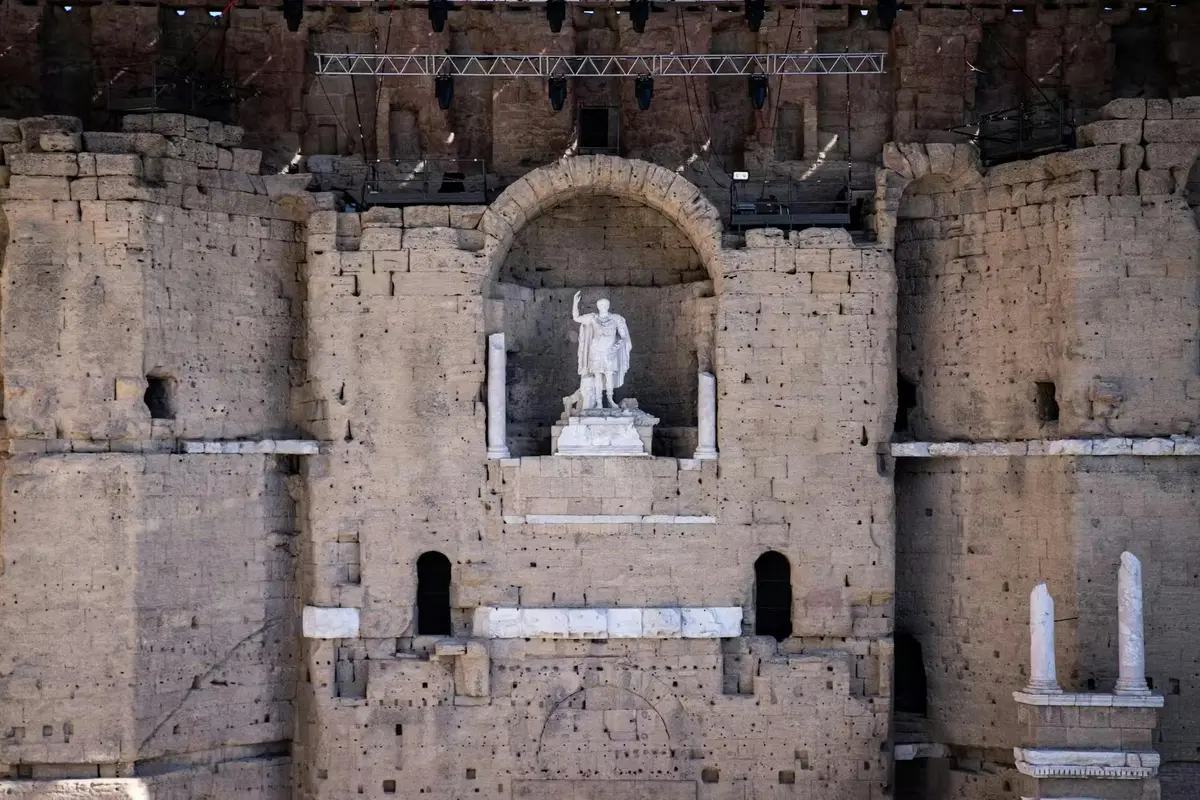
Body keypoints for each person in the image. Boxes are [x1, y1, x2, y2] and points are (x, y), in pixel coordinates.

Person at [571, 291, 632, 410]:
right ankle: (599, 402)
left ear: (608, 306)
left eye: (605, 305)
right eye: (601, 305)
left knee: (609, 376)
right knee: (597, 376)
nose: (603, 307)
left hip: (610, 352)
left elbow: (623, 336)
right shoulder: (593, 317)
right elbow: (576, 318)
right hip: (596, 351)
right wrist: (575, 303)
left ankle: (610, 399)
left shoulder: (616, 318)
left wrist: (617, 345)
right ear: (598, 306)